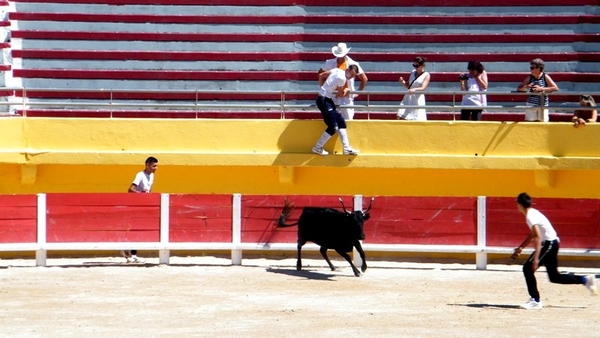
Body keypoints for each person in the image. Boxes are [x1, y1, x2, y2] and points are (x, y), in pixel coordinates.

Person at [511, 192, 597, 310]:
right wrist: (521, 247)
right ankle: (585, 280)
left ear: (519, 204)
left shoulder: (530, 216)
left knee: (527, 268)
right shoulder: (532, 213)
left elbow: (537, 237)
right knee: (554, 277)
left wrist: (536, 259)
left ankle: (535, 300)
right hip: (552, 243)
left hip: (549, 244)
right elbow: (534, 233)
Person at [312, 64, 360, 156]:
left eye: (354, 76)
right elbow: (340, 94)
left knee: (341, 122)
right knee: (333, 127)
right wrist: (347, 89)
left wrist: (322, 89)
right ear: (348, 70)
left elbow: (321, 75)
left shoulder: (337, 70)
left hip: (326, 99)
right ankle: (317, 147)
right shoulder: (342, 79)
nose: (352, 77)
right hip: (325, 100)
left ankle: (346, 148)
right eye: (352, 74)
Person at [121, 156, 158, 263]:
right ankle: (126, 251)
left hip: (142, 205)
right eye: (154, 166)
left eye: (156, 166)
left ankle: (133, 254)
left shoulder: (151, 176)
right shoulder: (140, 175)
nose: (156, 168)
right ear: (147, 165)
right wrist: (142, 196)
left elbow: (148, 190)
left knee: (138, 228)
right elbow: (130, 189)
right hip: (134, 205)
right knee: (133, 228)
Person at [318, 42, 368, 120]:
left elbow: (364, 79)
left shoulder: (353, 64)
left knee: (348, 120)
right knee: (333, 119)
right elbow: (320, 74)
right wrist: (324, 87)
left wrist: (357, 93)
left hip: (346, 96)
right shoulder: (330, 62)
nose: (340, 57)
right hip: (333, 95)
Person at [397, 56, 431, 121]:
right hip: (408, 97)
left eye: (417, 66)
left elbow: (423, 87)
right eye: (414, 65)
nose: (415, 67)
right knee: (400, 115)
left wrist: (415, 89)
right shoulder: (413, 72)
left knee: (416, 118)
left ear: (422, 66)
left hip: (417, 98)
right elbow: (409, 86)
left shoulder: (426, 75)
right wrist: (402, 82)